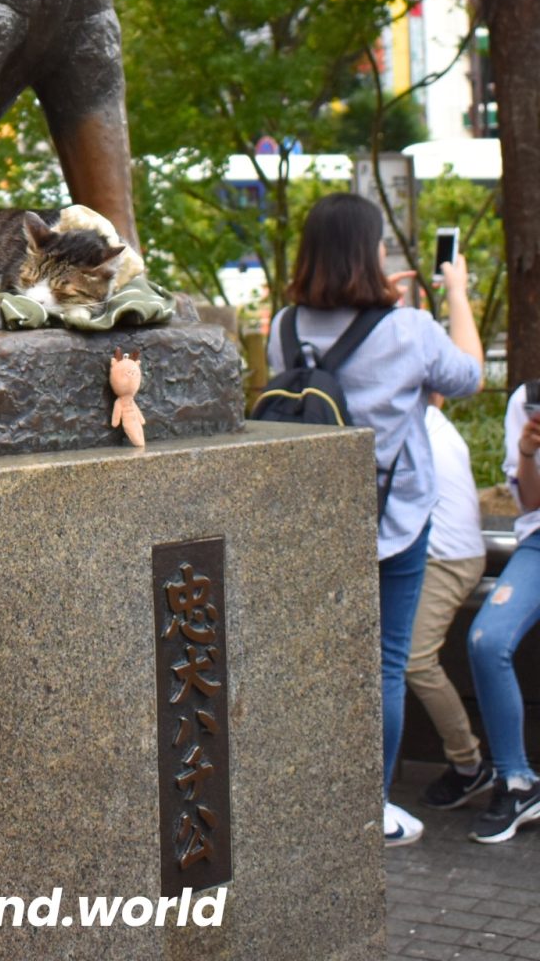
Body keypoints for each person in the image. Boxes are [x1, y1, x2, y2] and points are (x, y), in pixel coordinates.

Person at [266, 193, 482, 848]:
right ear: (371, 251)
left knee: (322, 666)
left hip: (312, 527)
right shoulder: (409, 329)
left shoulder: (285, 326)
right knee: (385, 667)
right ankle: (372, 811)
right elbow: (467, 377)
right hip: (393, 525)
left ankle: (313, 801)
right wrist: (457, 293)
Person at [465, 383, 540, 843]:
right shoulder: (527, 397)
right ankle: (516, 780)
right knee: (485, 640)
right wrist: (528, 453)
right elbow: (531, 502)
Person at [408, 396, 490, 810]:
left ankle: (468, 764)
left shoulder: (411, 425)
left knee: (415, 661)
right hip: (439, 554)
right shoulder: (429, 419)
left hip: (447, 559)